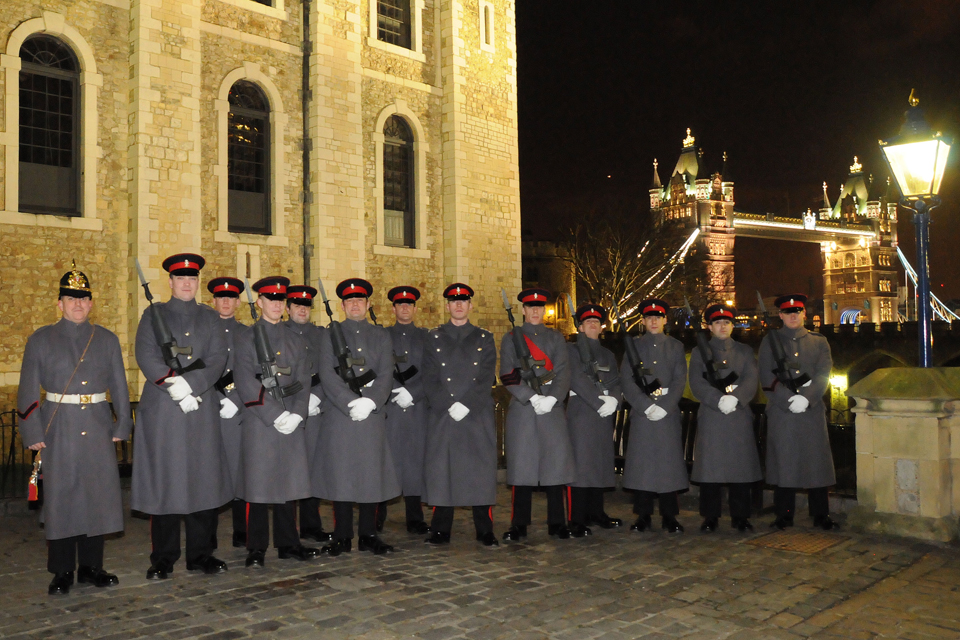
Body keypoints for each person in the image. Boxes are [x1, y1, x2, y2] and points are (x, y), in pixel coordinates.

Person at [17, 263, 131, 595]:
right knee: (62, 497)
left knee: (97, 496)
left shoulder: (106, 340)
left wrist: (122, 423)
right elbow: (27, 391)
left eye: (83, 298)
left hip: (96, 426)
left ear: (91, 303)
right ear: (59, 303)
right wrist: (32, 431)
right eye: (71, 298)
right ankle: (62, 570)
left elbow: (120, 388)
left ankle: (92, 567)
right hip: (58, 430)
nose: (77, 304)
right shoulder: (40, 340)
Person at [132, 253, 232, 579]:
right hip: (164, 411)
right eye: (181, 279)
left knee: (203, 481)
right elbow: (145, 354)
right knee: (166, 483)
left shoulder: (210, 318)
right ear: (171, 282)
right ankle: (163, 557)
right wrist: (171, 386)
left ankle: (201, 555)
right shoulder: (153, 314)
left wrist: (192, 385)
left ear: (197, 282)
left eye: (192, 279)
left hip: (200, 409)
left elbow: (217, 358)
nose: (187, 283)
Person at [235, 277, 319, 567]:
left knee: (289, 485)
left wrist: (296, 413)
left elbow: (303, 379)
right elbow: (245, 381)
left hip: (292, 420)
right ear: (259, 302)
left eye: (280, 300)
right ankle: (256, 548)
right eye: (270, 299)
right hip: (262, 421)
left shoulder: (296, 340)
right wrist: (275, 414)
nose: (276, 305)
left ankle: (288, 543)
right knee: (257, 488)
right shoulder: (246, 338)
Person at [314, 278, 400, 555]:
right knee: (342, 475)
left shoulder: (380, 336)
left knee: (369, 476)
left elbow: (387, 373)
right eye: (349, 301)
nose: (354, 304)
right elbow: (327, 374)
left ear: (367, 305)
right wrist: (350, 403)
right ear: (342, 305)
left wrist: (371, 402)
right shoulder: (330, 335)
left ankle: (368, 534)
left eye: (359, 300)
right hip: (342, 415)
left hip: (371, 416)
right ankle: (341, 535)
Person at [422, 284, 499, 547]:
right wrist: (447, 403)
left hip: (475, 413)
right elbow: (429, 377)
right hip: (444, 413)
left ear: (470, 306)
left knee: (480, 471)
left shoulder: (484, 338)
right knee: (442, 470)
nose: (458, 305)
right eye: (453, 301)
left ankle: (485, 529)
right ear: (447, 306)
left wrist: (467, 404)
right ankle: (440, 529)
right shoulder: (433, 337)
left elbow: (487, 374)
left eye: (463, 301)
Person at [499, 288, 575, 542]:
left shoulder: (555, 338)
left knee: (555, 469)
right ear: (522, 310)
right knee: (522, 469)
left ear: (543, 310)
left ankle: (557, 523)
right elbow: (508, 374)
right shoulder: (511, 338)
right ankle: (519, 524)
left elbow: (564, 371)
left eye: (539, 307)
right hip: (524, 410)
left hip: (551, 410)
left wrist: (552, 398)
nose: (534, 311)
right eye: (530, 307)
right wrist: (531, 396)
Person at [759, 294, 837, 530]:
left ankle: (820, 514)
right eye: (787, 313)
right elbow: (766, 375)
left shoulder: (819, 341)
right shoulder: (770, 341)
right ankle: (784, 514)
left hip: (810, 411)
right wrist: (788, 398)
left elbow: (824, 373)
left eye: (797, 311)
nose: (793, 316)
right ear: (780, 315)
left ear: (804, 313)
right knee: (785, 464)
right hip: (783, 412)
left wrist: (807, 398)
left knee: (817, 464)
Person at [688, 304, 762, 533]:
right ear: (709, 327)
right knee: (711, 470)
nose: (723, 326)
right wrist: (717, 399)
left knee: (740, 469)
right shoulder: (700, 352)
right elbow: (696, 382)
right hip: (713, 415)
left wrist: (736, 398)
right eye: (718, 323)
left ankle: (740, 516)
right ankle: (710, 516)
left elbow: (751, 379)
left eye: (727, 322)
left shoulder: (745, 351)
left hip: (737, 415)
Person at [620, 298, 688, 533]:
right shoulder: (634, 346)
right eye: (649, 318)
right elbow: (627, 380)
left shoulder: (676, 346)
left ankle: (670, 516)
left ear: (665, 320)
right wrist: (644, 406)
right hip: (643, 414)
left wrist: (665, 406)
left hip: (666, 414)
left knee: (669, 466)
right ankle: (643, 515)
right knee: (643, 466)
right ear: (643, 321)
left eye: (658, 317)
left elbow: (680, 380)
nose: (654, 321)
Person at [566, 303, 623, 537]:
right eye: (587, 322)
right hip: (582, 412)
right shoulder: (571, 350)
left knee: (599, 463)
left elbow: (617, 381)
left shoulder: (608, 354)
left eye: (596, 322)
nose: (592, 325)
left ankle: (596, 512)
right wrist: (600, 402)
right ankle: (577, 518)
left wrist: (615, 401)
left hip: (603, 414)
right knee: (581, 466)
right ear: (580, 327)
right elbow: (576, 379)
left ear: (601, 327)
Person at [283, 284, 332, 544]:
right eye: (297, 305)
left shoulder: (321, 335)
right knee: (290, 471)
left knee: (312, 468)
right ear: (288, 308)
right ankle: (288, 531)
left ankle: (312, 526)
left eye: (306, 306)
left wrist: (318, 397)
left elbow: (330, 371)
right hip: (288, 409)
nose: (302, 309)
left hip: (315, 411)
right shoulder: (278, 333)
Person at [379, 285, 430, 535]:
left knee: (414, 463)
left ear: (415, 308)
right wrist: (393, 391)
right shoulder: (382, 336)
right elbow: (376, 370)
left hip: (418, 408)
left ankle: (415, 516)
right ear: (393, 309)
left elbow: (434, 372)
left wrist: (414, 393)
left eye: (409, 304)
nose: (405, 308)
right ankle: (378, 515)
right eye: (400, 305)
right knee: (386, 460)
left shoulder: (427, 337)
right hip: (390, 408)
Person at [207, 276, 247, 548]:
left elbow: (255, 372)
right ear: (213, 301)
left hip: (237, 413)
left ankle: (241, 532)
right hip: (208, 410)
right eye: (220, 297)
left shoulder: (248, 333)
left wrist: (236, 399)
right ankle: (207, 535)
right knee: (209, 474)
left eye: (230, 297)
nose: (225, 302)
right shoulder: (203, 331)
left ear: (238, 302)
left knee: (239, 472)